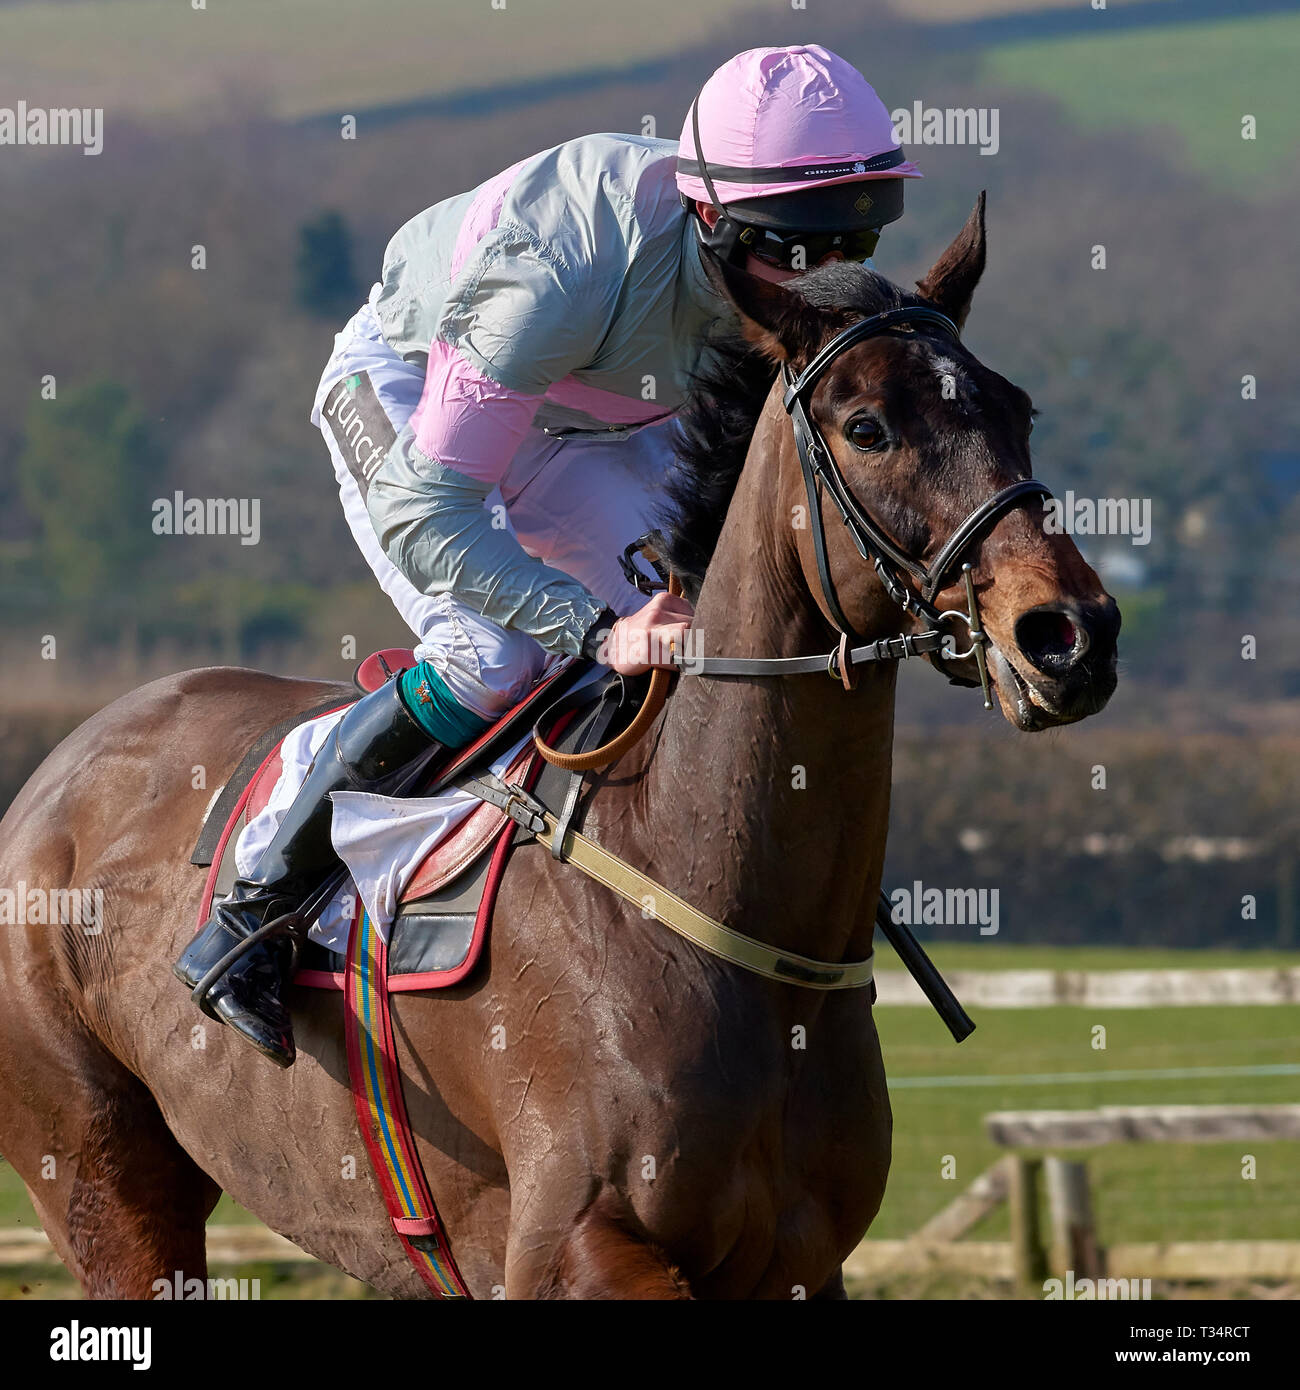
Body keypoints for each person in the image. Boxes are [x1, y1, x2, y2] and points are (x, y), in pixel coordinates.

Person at [175, 44, 922, 1066]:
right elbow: (425, 512)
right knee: (497, 656)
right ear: (711, 216)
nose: (826, 276)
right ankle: (259, 900)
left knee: (710, 637)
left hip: (596, 421)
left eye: (856, 237)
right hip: (412, 399)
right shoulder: (552, 266)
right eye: (792, 250)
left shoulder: (780, 259)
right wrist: (594, 626)